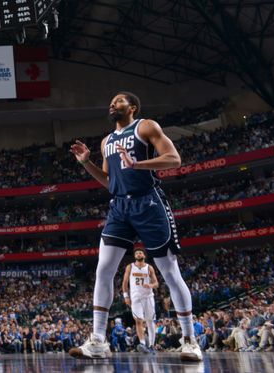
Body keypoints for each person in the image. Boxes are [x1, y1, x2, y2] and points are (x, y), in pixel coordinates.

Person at [68, 92, 202, 361]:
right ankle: (98, 340)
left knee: (169, 271)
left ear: (132, 107)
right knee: (104, 269)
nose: (112, 103)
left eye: (118, 100)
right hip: (119, 207)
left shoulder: (146, 126)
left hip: (148, 204)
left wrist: (137, 164)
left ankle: (190, 340)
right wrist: (86, 163)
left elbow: (174, 159)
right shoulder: (107, 141)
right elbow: (110, 182)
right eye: (111, 101)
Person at [122, 248, 158, 353]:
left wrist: (150, 285)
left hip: (148, 297)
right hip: (135, 297)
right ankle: (142, 343)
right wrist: (126, 296)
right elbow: (125, 282)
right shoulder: (130, 267)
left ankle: (151, 345)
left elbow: (156, 283)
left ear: (144, 256)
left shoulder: (149, 267)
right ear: (134, 256)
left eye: (140, 253)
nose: (138, 254)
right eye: (136, 253)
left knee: (150, 321)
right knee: (138, 320)